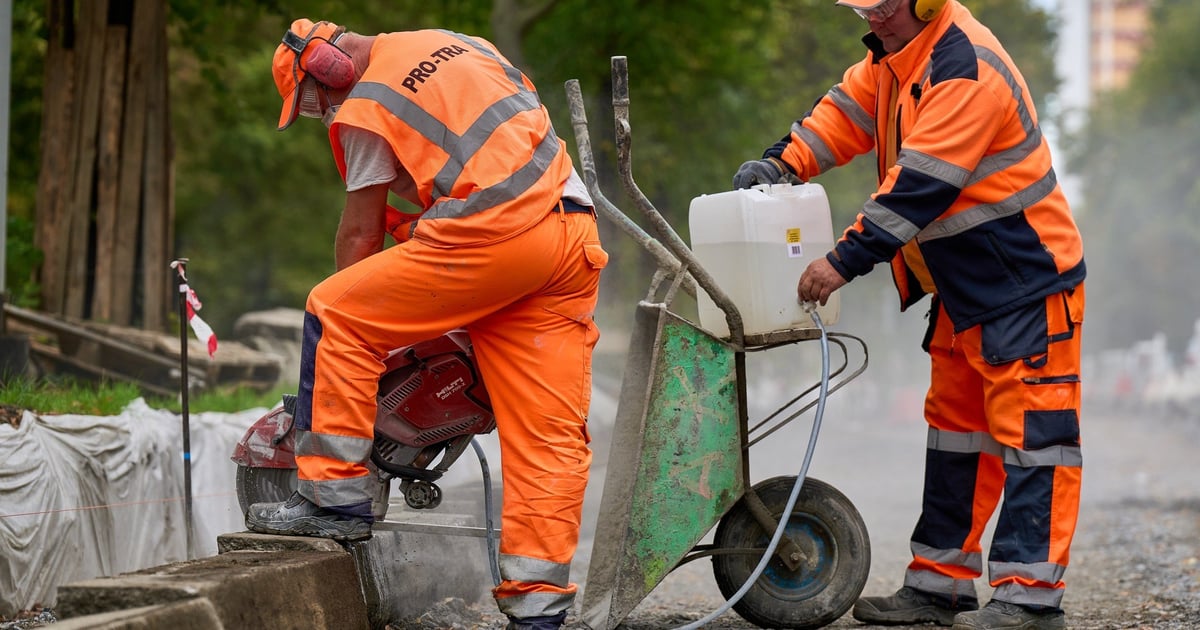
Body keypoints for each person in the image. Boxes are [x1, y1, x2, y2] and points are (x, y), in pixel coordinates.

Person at [246, 19, 607, 630]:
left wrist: (369, 341)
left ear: (328, 70)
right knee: (546, 439)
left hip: (494, 235)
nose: (322, 116)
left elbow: (359, 235)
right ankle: (539, 611)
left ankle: (336, 499)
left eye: (312, 105)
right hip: (569, 237)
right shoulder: (454, 42)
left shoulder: (364, 103)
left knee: (335, 313)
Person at [733, 1, 1085, 629]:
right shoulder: (894, 60)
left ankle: (1030, 600)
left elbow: (920, 185)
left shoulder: (964, 68)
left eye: (885, 5)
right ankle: (938, 587)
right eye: (863, 7)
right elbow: (840, 116)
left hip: (1025, 283)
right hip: (964, 287)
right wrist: (783, 160)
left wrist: (842, 261)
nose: (872, 19)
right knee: (955, 437)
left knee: (1035, 443)